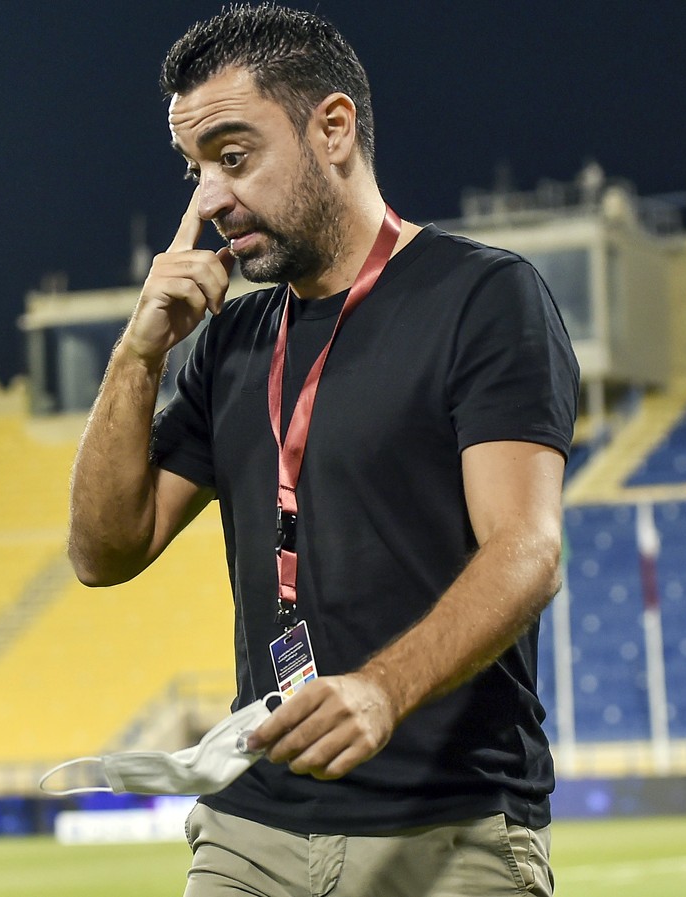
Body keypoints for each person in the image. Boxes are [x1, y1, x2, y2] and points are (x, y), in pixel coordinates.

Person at [67, 4, 578, 895]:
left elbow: (527, 551)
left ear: (332, 128)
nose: (211, 199)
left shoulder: (485, 297)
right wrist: (139, 351)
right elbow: (103, 551)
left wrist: (381, 688)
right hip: (250, 830)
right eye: (195, 170)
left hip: (449, 826)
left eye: (234, 156)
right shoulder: (230, 340)